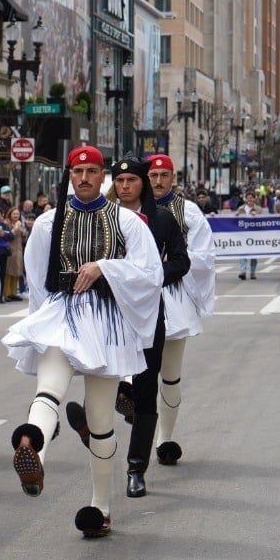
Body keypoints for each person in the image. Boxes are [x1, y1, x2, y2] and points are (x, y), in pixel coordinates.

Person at [1, 146, 162, 537]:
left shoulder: (126, 221)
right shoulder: (48, 222)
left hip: (105, 322)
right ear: (69, 175)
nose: (85, 178)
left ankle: (100, 507)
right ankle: (32, 449)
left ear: (101, 174)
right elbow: (38, 278)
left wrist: (104, 266)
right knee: (48, 390)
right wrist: (45, 319)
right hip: (64, 314)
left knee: (101, 421)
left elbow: (150, 273)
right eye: (78, 171)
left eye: (92, 171)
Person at [91, 157, 189, 499]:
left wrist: (153, 275)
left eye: (132, 180)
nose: (125, 186)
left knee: (148, 387)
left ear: (141, 184)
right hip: (105, 313)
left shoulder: (161, 220)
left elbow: (181, 260)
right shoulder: (101, 219)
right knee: (100, 375)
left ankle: (136, 468)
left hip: (148, 315)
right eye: (120, 181)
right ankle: (105, 412)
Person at [143, 154, 217, 468]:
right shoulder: (128, 210)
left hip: (173, 294)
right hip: (137, 298)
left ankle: (165, 439)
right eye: (153, 175)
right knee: (138, 373)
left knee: (170, 375)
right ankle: (140, 431)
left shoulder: (188, 212)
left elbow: (204, 257)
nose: (158, 181)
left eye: (164, 175)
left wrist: (172, 261)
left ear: (174, 177)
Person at [233, 194, 264, 279]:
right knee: (243, 253)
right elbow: (235, 222)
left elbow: (264, 221)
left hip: (254, 235)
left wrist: (257, 217)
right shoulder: (241, 208)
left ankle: (252, 272)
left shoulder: (259, 209)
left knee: (253, 254)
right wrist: (236, 216)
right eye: (248, 198)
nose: (250, 199)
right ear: (246, 199)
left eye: (252, 197)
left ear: (254, 199)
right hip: (243, 234)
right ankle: (243, 271)